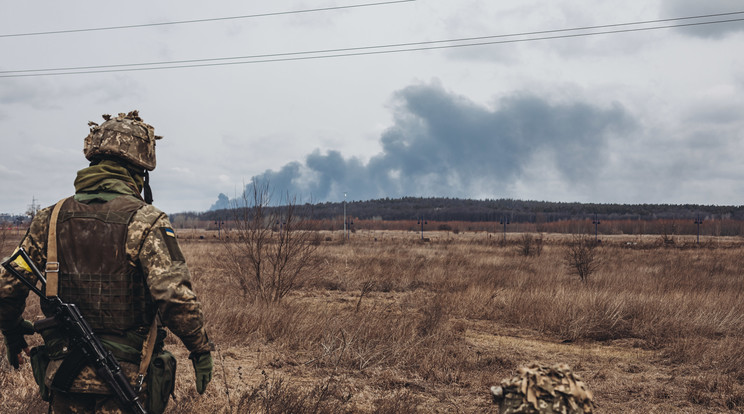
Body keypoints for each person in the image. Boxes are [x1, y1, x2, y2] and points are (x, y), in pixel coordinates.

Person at [0, 110, 213, 413]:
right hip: (127, 377)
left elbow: (7, 286)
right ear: (140, 171)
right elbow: (174, 296)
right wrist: (200, 348)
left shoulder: (49, 218)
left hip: (63, 375)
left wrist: (10, 330)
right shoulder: (146, 221)